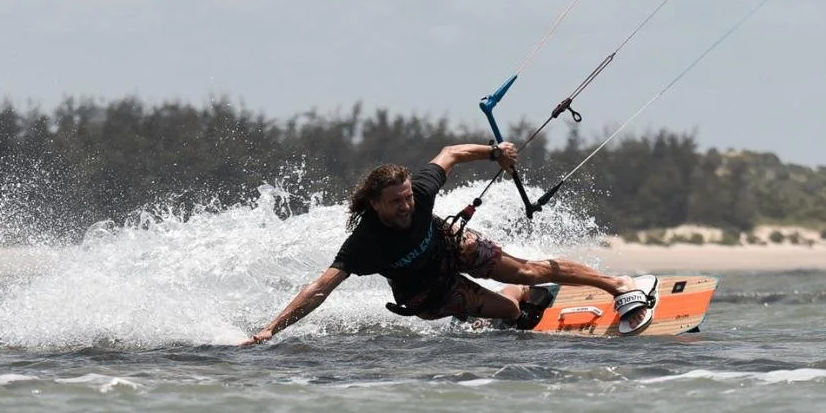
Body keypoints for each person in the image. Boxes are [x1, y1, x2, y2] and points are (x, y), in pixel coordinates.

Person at [241, 141, 657, 344]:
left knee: (527, 266)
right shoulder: (365, 242)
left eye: (408, 197)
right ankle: (517, 300)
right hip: (426, 290)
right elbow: (318, 290)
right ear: (374, 203)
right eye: (395, 202)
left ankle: (619, 285)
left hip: (451, 242)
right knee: (511, 311)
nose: (406, 206)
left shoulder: (419, 192)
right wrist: (270, 330)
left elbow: (450, 154)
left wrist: (495, 153)